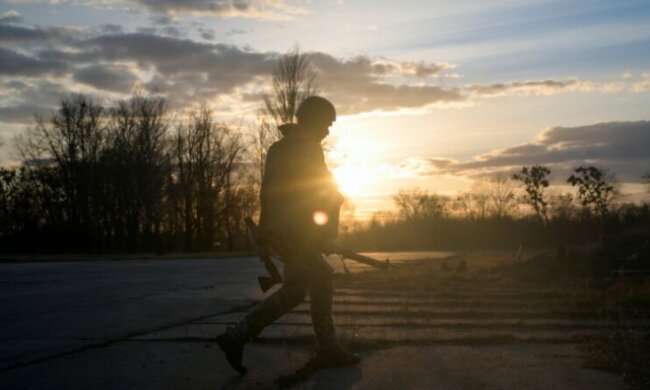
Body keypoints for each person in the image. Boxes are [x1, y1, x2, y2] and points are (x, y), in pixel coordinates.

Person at [216, 96, 360, 374]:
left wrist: (265, 235)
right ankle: (328, 348)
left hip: (285, 233)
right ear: (314, 120)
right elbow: (323, 194)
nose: (328, 130)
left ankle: (236, 336)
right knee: (323, 277)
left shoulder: (278, 148)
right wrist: (326, 233)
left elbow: (267, 194)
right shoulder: (307, 148)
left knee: (294, 291)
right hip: (299, 233)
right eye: (327, 124)